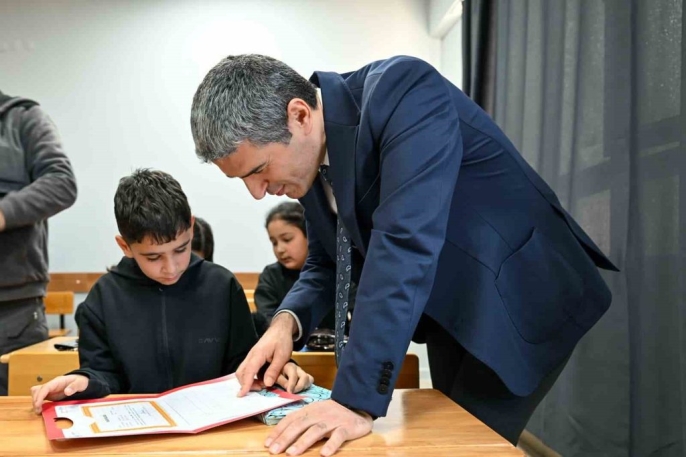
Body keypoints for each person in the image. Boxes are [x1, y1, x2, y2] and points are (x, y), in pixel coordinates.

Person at [190, 55, 618, 456]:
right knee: (441, 438)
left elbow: (403, 245)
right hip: (453, 310)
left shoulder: (404, 92)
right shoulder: (307, 162)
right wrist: (285, 324)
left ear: (299, 115)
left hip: (520, 295)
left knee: (461, 446)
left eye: (258, 170)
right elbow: (326, 261)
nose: (257, 192)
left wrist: (354, 401)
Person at [30, 169, 312, 412]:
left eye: (181, 249)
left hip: (216, 427)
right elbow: (104, 374)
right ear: (125, 246)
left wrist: (275, 367)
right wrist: (85, 380)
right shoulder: (103, 298)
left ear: (191, 227)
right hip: (139, 431)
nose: (171, 267)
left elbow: (243, 362)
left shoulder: (222, 286)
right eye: (153, 257)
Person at [0, 91, 77, 396]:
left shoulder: (24, 118)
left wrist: (3, 213)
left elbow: (62, 182)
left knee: (20, 413)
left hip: (13, 312)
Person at [254, 201, 348, 339]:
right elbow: (266, 320)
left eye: (287, 239)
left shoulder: (339, 271)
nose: (280, 249)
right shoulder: (270, 276)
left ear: (309, 236)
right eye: (274, 242)